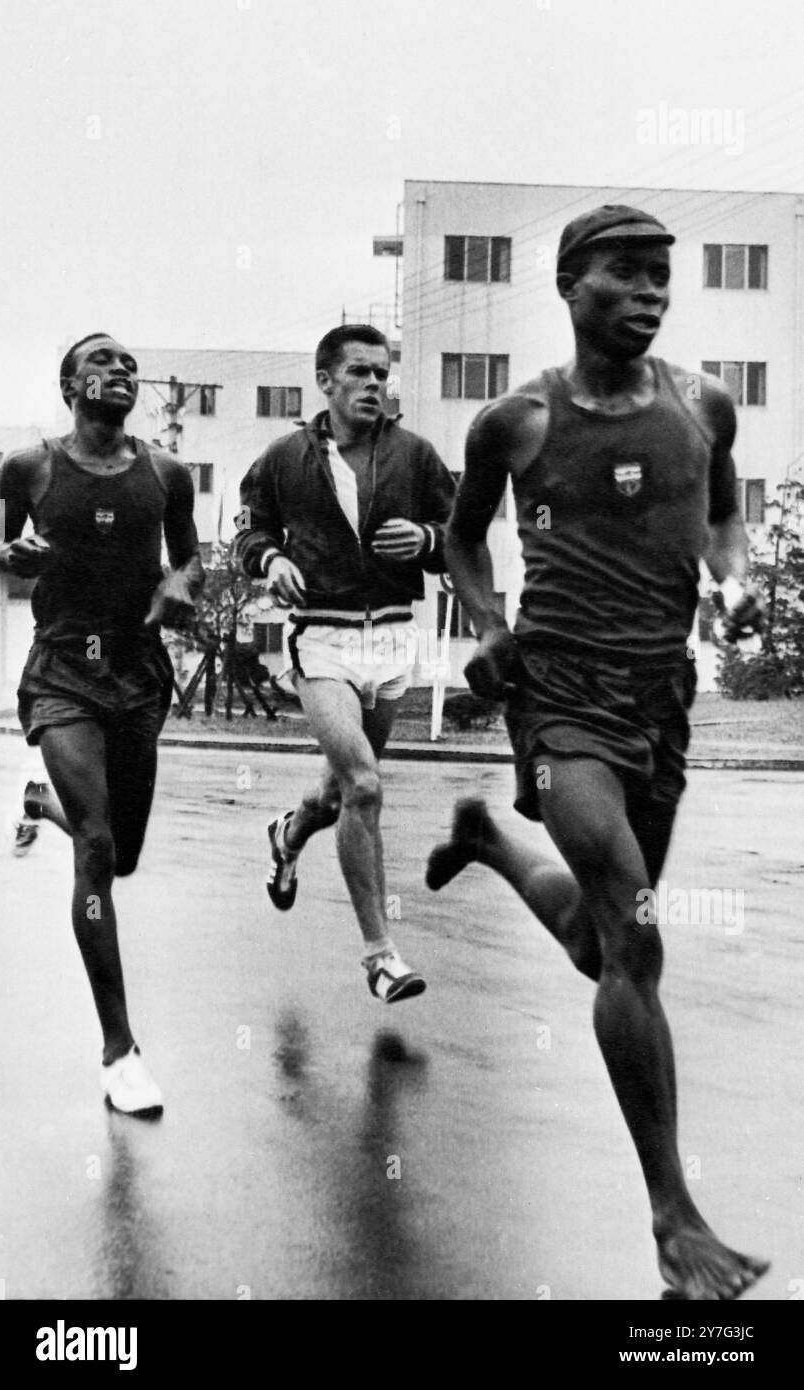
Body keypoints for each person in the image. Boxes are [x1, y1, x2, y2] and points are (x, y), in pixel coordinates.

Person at [425, 206, 769, 1300]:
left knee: (594, 940)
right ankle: (673, 1219)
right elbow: (460, 536)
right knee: (632, 937)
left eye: (660, 277)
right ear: (568, 284)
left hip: (656, 700)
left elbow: (721, 518)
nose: (649, 293)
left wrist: (733, 578)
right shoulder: (514, 422)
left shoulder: (701, 404)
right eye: (624, 274)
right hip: (557, 693)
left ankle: (482, 835)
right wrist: (486, 629)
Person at [0, 333, 203, 1116]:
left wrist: (181, 582)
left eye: (128, 365)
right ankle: (120, 1051)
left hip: (138, 671)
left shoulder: (166, 473)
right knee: (100, 847)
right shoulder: (30, 466)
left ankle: (39, 804)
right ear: (69, 383)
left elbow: (192, 557)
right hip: (63, 671)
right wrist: (12, 553)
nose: (121, 371)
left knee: (122, 852)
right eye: (103, 361)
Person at [236, 324, 455, 1001]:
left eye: (382, 374)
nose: (373, 385)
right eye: (359, 373)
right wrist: (270, 561)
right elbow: (250, 528)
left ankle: (290, 831)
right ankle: (380, 957)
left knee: (338, 793)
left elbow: (461, 543)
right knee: (364, 786)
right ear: (325, 381)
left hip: (392, 639)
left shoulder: (415, 456)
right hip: (322, 640)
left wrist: (426, 537)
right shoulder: (284, 458)